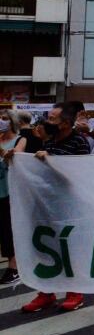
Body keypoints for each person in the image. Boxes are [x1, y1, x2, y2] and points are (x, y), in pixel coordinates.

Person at [22, 102, 91, 312]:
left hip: (70, 207)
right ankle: (46, 292)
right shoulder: (49, 142)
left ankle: (74, 293)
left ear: (66, 123)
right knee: (46, 248)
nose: (48, 122)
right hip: (48, 206)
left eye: (53, 119)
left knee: (70, 248)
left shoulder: (80, 142)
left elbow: (82, 175)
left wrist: (53, 161)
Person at [0, 110, 20, 285]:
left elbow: (13, 160)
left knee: (8, 231)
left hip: (9, 192)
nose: (1, 122)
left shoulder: (20, 140)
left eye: (5, 119)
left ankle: (14, 267)